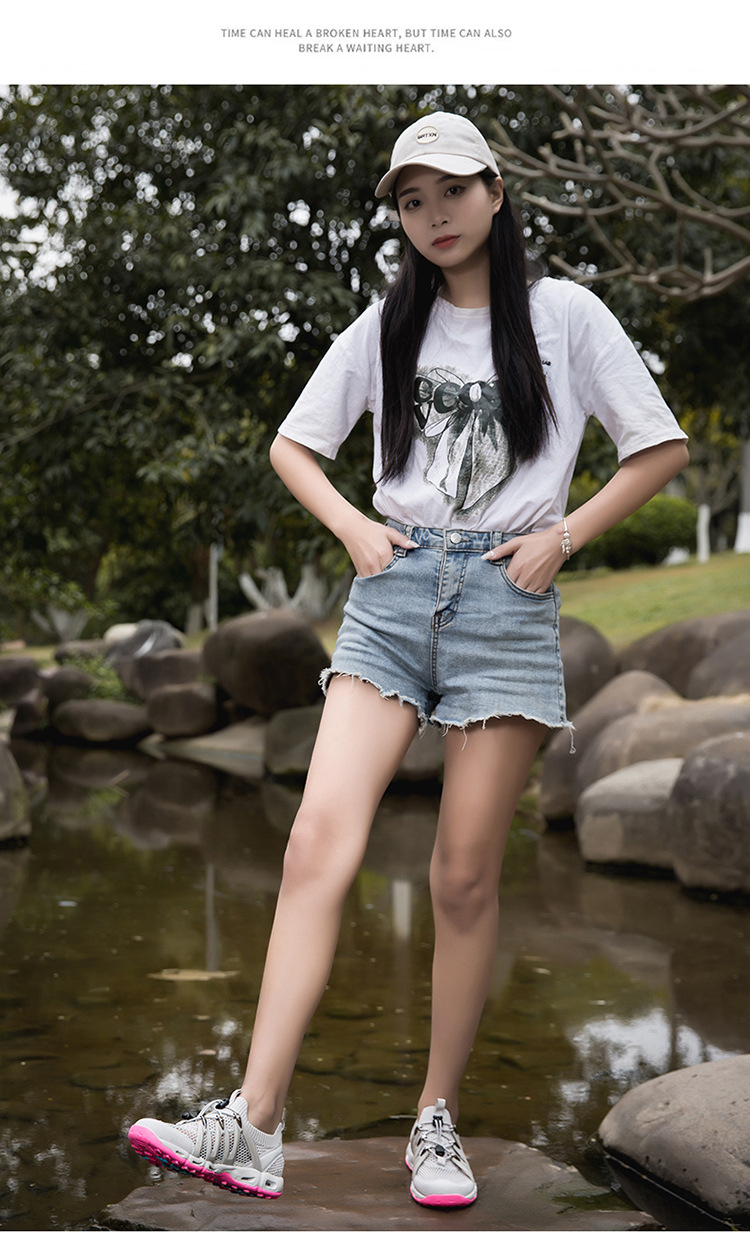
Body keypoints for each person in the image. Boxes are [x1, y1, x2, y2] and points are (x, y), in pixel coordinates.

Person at [128, 111, 689, 1209]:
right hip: (391, 597)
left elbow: (659, 445)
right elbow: (293, 445)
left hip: (507, 603)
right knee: (313, 843)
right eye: (412, 201)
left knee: (462, 875)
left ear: (495, 192)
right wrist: (352, 525)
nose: (433, 216)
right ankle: (254, 1123)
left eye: (452, 191)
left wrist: (565, 536)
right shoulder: (388, 324)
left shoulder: (564, 316)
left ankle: (436, 1118)